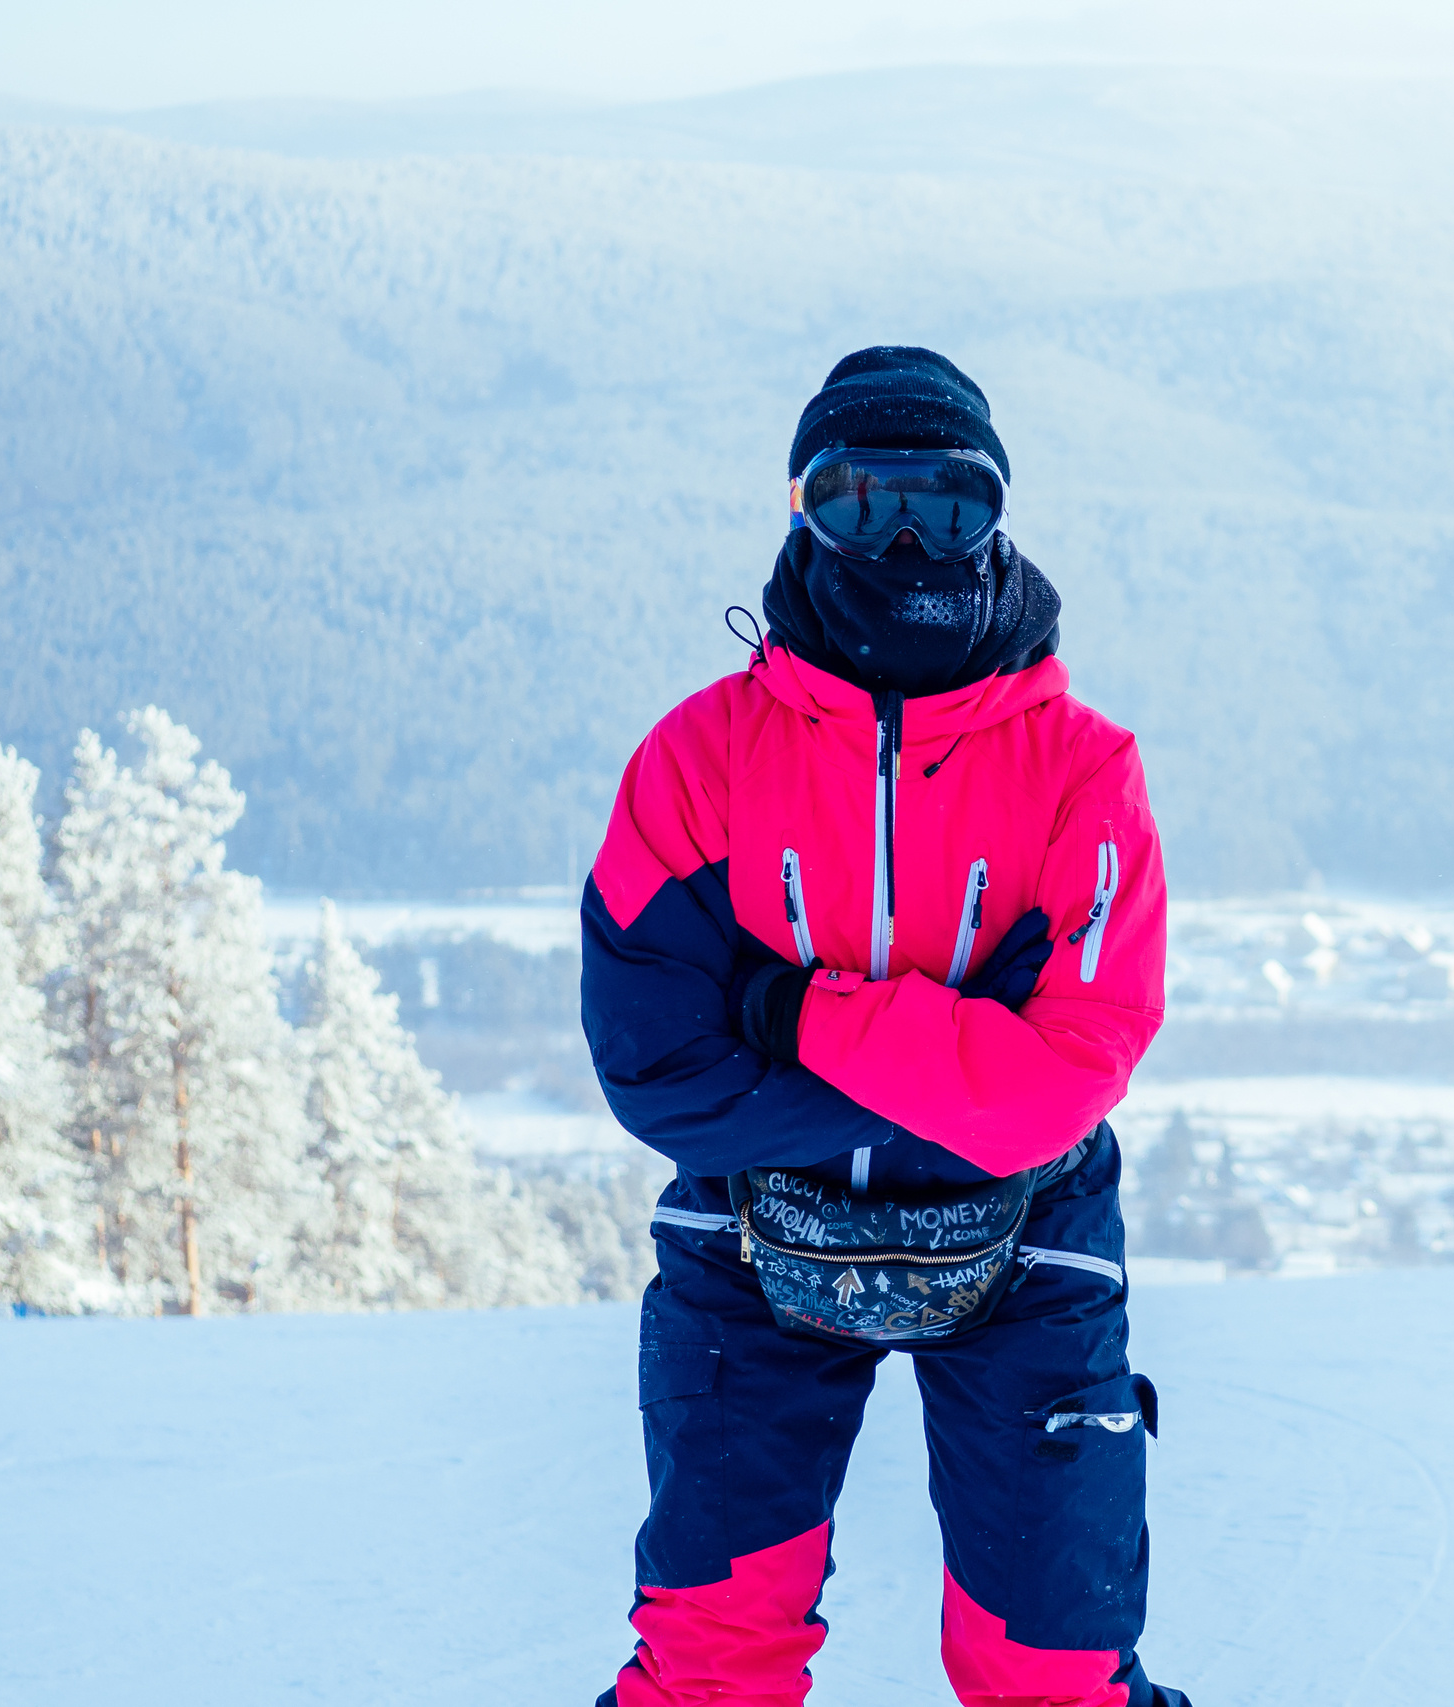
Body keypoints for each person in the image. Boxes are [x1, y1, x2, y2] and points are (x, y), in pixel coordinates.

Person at [580, 347, 1190, 1707]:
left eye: (948, 506)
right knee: (706, 1669)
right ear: (801, 513)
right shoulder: (700, 759)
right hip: (752, 1227)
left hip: (1024, 1233)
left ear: (999, 519)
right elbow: (657, 1068)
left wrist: (789, 1013)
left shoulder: (1085, 772)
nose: (905, 539)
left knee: (1054, 1676)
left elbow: (1063, 1085)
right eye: (860, 503)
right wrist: (962, 1065)